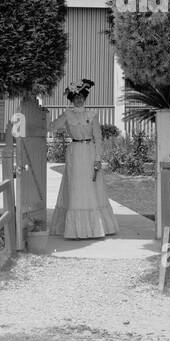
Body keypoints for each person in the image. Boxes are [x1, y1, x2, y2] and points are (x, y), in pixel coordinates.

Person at [48, 79, 118, 238]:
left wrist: (98, 158)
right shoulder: (67, 114)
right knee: (75, 187)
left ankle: (97, 227)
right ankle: (75, 229)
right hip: (74, 153)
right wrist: (44, 115)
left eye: (81, 96)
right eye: (75, 97)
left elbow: (98, 137)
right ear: (72, 99)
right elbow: (52, 127)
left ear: (84, 98)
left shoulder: (92, 114)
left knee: (92, 187)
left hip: (90, 152)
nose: (78, 99)